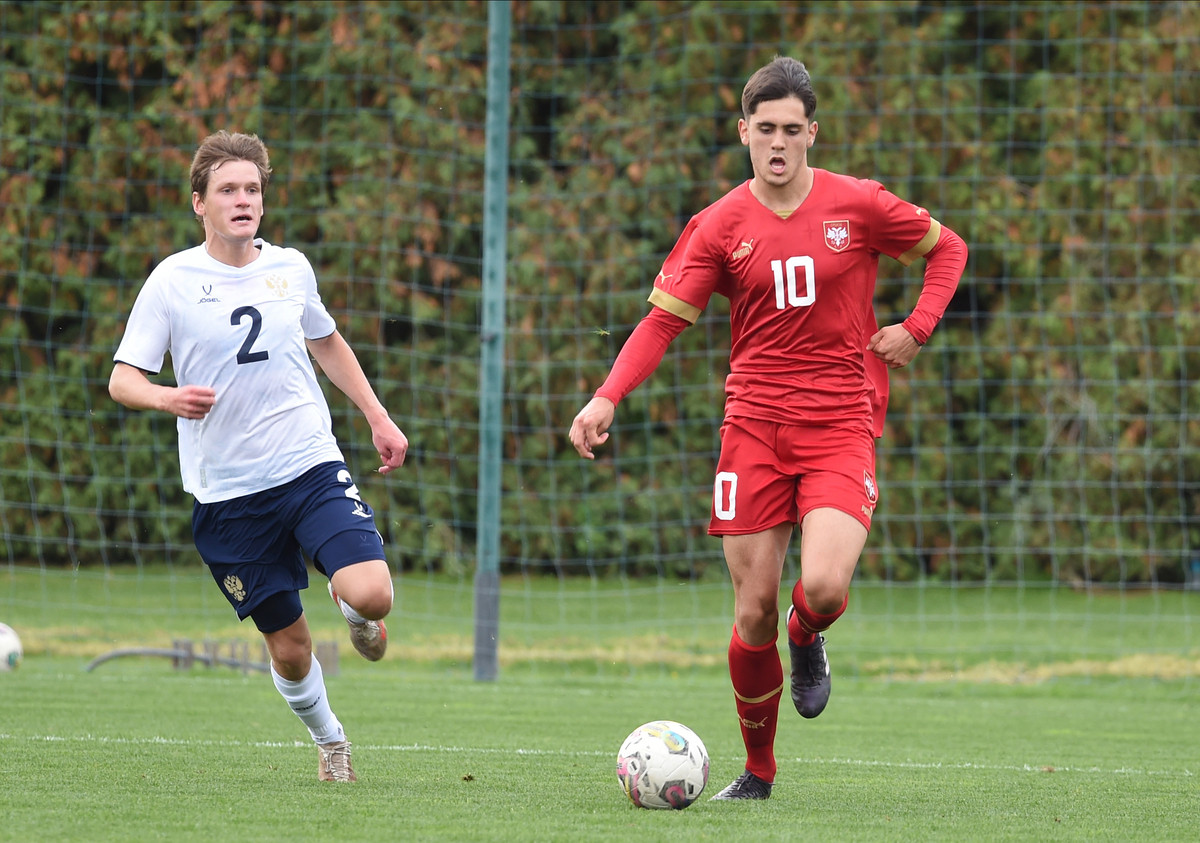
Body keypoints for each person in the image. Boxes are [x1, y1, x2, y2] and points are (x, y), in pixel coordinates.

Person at [568, 57, 967, 800]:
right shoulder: (719, 225)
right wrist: (606, 397)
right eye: (765, 129)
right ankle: (759, 771)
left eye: (793, 129)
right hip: (752, 426)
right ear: (743, 130)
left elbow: (949, 249)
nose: (778, 143)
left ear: (812, 133)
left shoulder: (860, 205)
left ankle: (808, 632)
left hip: (841, 422)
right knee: (750, 607)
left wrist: (917, 326)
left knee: (819, 583)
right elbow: (662, 323)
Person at [109, 130, 408, 783]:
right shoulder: (172, 281)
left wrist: (376, 414)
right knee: (293, 647)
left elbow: (326, 342)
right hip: (227, 497)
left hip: (307, 464)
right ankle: (331, 740)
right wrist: (167, 399)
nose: (242, 200)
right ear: (199, 203)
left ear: (263, 202)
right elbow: (122, 378)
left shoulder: (290, 268)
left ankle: (351, 603)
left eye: (252, 189)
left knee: (374, 593)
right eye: (227, 190)